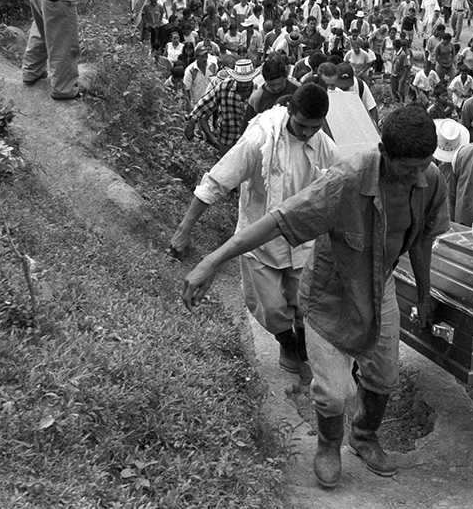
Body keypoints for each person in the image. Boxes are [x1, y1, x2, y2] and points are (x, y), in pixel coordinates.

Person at [181, 105, 449, 489]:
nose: (416, 176)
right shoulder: (346, 180)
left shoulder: (432, 181)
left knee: (385, 376)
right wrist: (214, 259)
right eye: (407, 168)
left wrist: (425, 294)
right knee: (332, 393)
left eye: (423, 165)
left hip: (381, 286)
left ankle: (364, 435)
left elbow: (423, 240)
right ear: (384, 153)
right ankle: (328, 443)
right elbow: (279, 219)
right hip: (331, 291)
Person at [170, 83, 339, 376]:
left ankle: (300, 347)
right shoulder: (260, 139)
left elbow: (341, 187)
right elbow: (216, 182)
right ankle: (285, 340)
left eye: (314, 128)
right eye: (301, 126)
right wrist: (184, 229)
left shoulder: (324, 146)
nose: (306, 134)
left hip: (303, 242)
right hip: (259, 240)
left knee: (304, 301)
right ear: (290, 112)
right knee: (270, 308)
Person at [186, 59, 261, 153]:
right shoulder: (224, 87)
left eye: (247, 81)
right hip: (227, 139)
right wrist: (191, 122)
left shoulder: (258, 93)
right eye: (240, 81)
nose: (244, 84)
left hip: (249, 142)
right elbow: (205, 104)